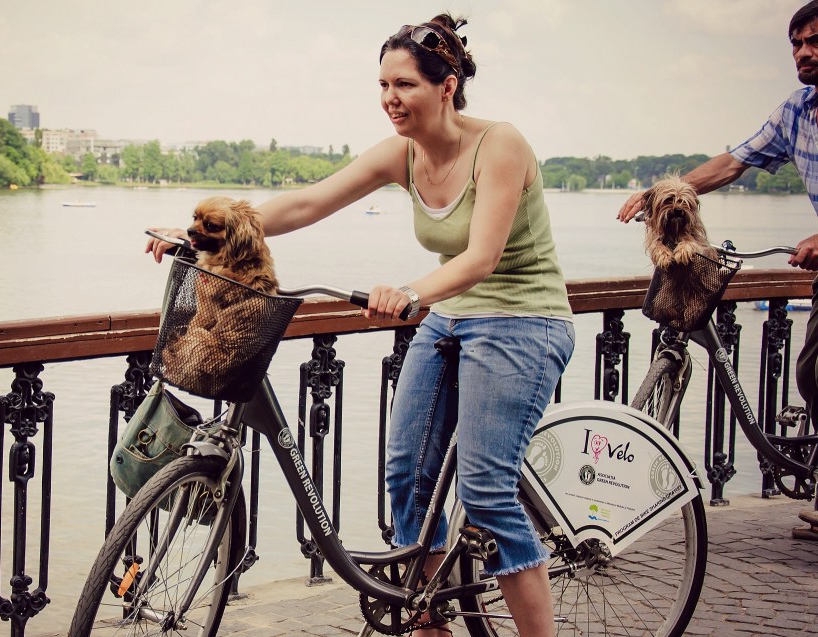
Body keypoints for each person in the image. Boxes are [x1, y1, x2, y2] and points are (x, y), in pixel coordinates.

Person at [147, 14, 574, 636]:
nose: (390, 99)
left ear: (447, 85)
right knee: (407, 476)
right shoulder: (402, 154)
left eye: (404, 85)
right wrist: (197, 232)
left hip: (522, 322)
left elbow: (481, 257)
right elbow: (307, 202)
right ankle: (429, 625)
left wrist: (408, 290)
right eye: (382, 85)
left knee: (484, 492)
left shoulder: (500, 145)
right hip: (450, 317)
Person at [617, 0, 818, 537]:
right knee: (810, 373)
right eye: (797, 43)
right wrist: (663, 192)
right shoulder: (796, 111)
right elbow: (733, 163)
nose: (804, 52)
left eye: (814, 41)